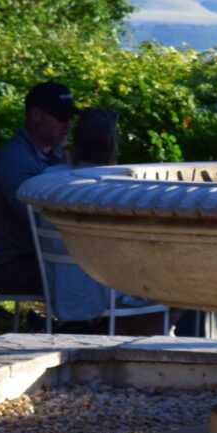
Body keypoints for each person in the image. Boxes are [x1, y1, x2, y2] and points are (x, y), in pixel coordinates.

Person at [35, 108, 148, 332]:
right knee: (178, 290)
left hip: (61, 290)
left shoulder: (47, 180)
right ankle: (132, 342)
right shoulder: (118, 187)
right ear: (112, 144)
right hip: (105, 293)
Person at [0, 81, 74, 295]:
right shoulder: (15, 160)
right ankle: (83, 324)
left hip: (39, 257)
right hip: (14, 265)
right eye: (61, 117)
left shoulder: (56, 154)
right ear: (36, 115)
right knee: (91, 270)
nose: (68, 125)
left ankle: (92, 323)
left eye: (70, 118)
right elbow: (35, 220)